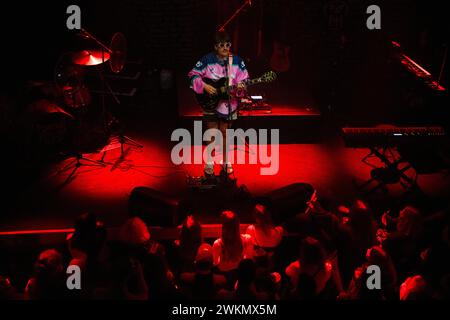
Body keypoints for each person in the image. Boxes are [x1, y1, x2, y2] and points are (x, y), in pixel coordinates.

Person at [188, 30, 249, 176]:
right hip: (210, 101)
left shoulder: (236, 60)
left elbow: (244, 78)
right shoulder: (206, 60)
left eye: (228, 45)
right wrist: (204, 86)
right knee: (212, 131)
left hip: (229, 103)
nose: (225, 48)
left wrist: (242, 85)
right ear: (215, 47)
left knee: (225, 132)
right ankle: (209, 161)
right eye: (222, 45)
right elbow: (192, 75)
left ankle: (226, 160)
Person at [212, 211, 254, 280]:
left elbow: (218, 267)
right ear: (238, 226)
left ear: (223, 227)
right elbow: (249, 265)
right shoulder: (247, 240)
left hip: (228, 282)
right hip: (242, 281)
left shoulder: (218, 245)